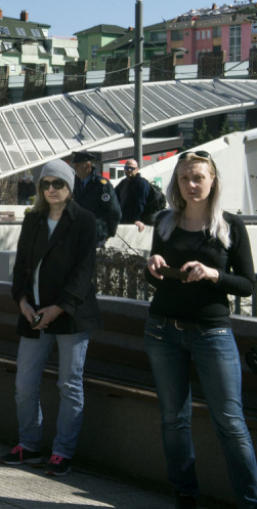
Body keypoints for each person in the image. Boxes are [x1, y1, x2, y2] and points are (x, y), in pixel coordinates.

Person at [143, 150, 257, 509]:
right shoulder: (165, 222)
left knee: (230, 422)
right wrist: (153, 268)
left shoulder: (230, 226)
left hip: (213, 333)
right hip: (163, 330)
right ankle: (185, 495)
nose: (191, 184)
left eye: (198, 177)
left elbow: (247, 285)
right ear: (176, 183)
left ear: (212, 180)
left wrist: (213, 275)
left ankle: (250, 501)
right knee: (174, 419)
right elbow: (158, 283)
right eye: (184, 178)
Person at [1, 159, 101, 478]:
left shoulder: (84, 220)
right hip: (34, 313)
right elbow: (21, 269)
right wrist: (22, 302)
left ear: (70, 186)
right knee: (24, 384)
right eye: (46, 184)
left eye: (58, 183)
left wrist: (57, 309)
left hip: (70, 315)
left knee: (69, 384)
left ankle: (62, 452)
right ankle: (29, 446)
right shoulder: (33, 220)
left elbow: (84, 272)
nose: (51, 189)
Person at [71, 151, 121, 247]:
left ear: (88, 166)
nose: (75, 168)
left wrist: (109, 232)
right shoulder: (77, 184)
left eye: (77, 165)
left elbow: (114, 211)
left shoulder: (101, 185)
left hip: (96, 234)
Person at [115, 158, 150, 232]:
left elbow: (140, 203)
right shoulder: (123, 183)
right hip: (122, 220)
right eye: (127, 168)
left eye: (132, 168)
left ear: (137, 169)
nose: (129, 170)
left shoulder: (142, 184)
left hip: (134, 222)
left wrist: (137, 219)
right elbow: (114, 198)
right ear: (124, 169)